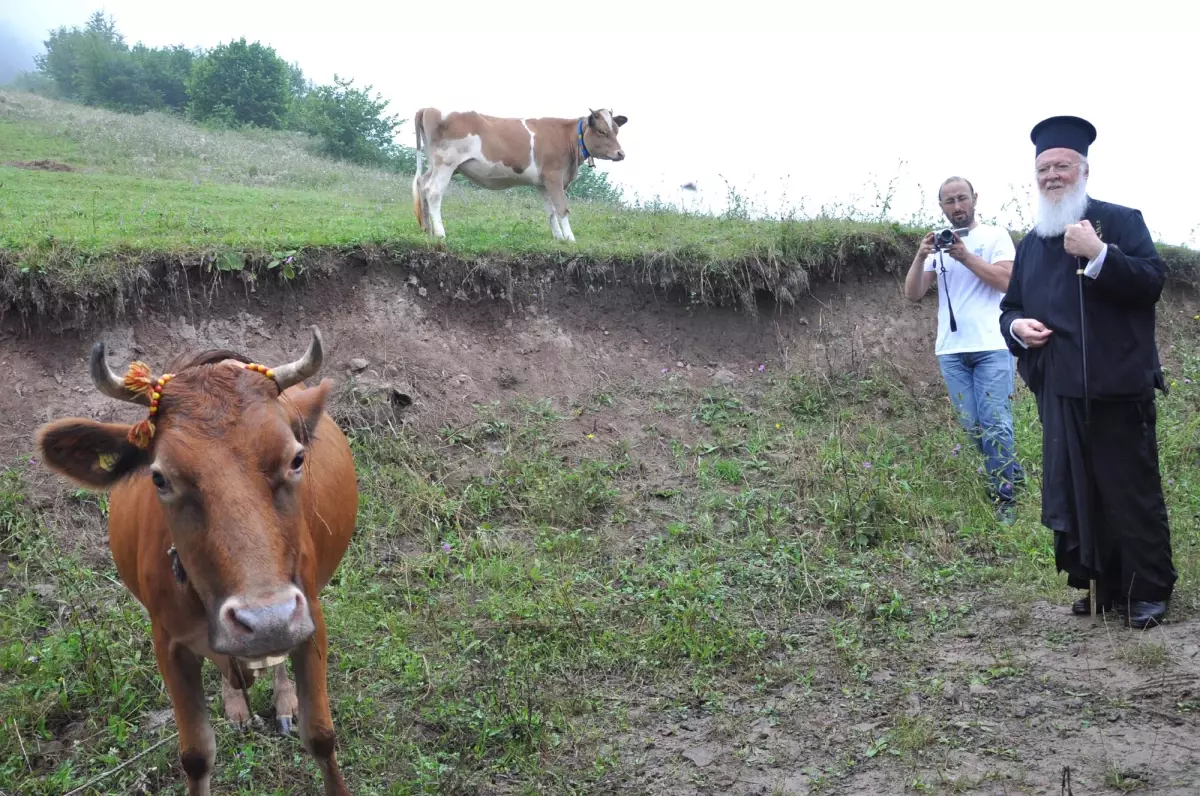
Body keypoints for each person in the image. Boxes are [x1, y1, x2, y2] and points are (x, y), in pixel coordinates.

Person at [998, 115, 1175, 629]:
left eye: (1062, 166)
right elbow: (1009, 306)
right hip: (1062, 391)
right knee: (1079, 493)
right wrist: (1018, 328)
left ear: (1084, 170)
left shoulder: (1120, 222)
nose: (1052, 175)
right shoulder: (1031, 243)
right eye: (1044, 168)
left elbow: (1151, 282)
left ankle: (1148, 590)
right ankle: (1104, 586)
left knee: (1129, 489)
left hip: (1117, 388)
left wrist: (1099, 255)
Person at [905, 176, 1025, 521]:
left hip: (992, 345)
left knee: (996, 424)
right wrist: (920, 256)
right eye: (949, 202)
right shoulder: (938, 245)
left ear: (975, 198)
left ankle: (1005, 499)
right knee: (972, 426)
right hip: (951, 350)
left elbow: (1006, 282)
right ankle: (1013, 476)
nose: (957, 207)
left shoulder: (995, 236)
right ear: (941, 206)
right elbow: (913, 294)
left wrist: (964, 256)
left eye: (962, 199)